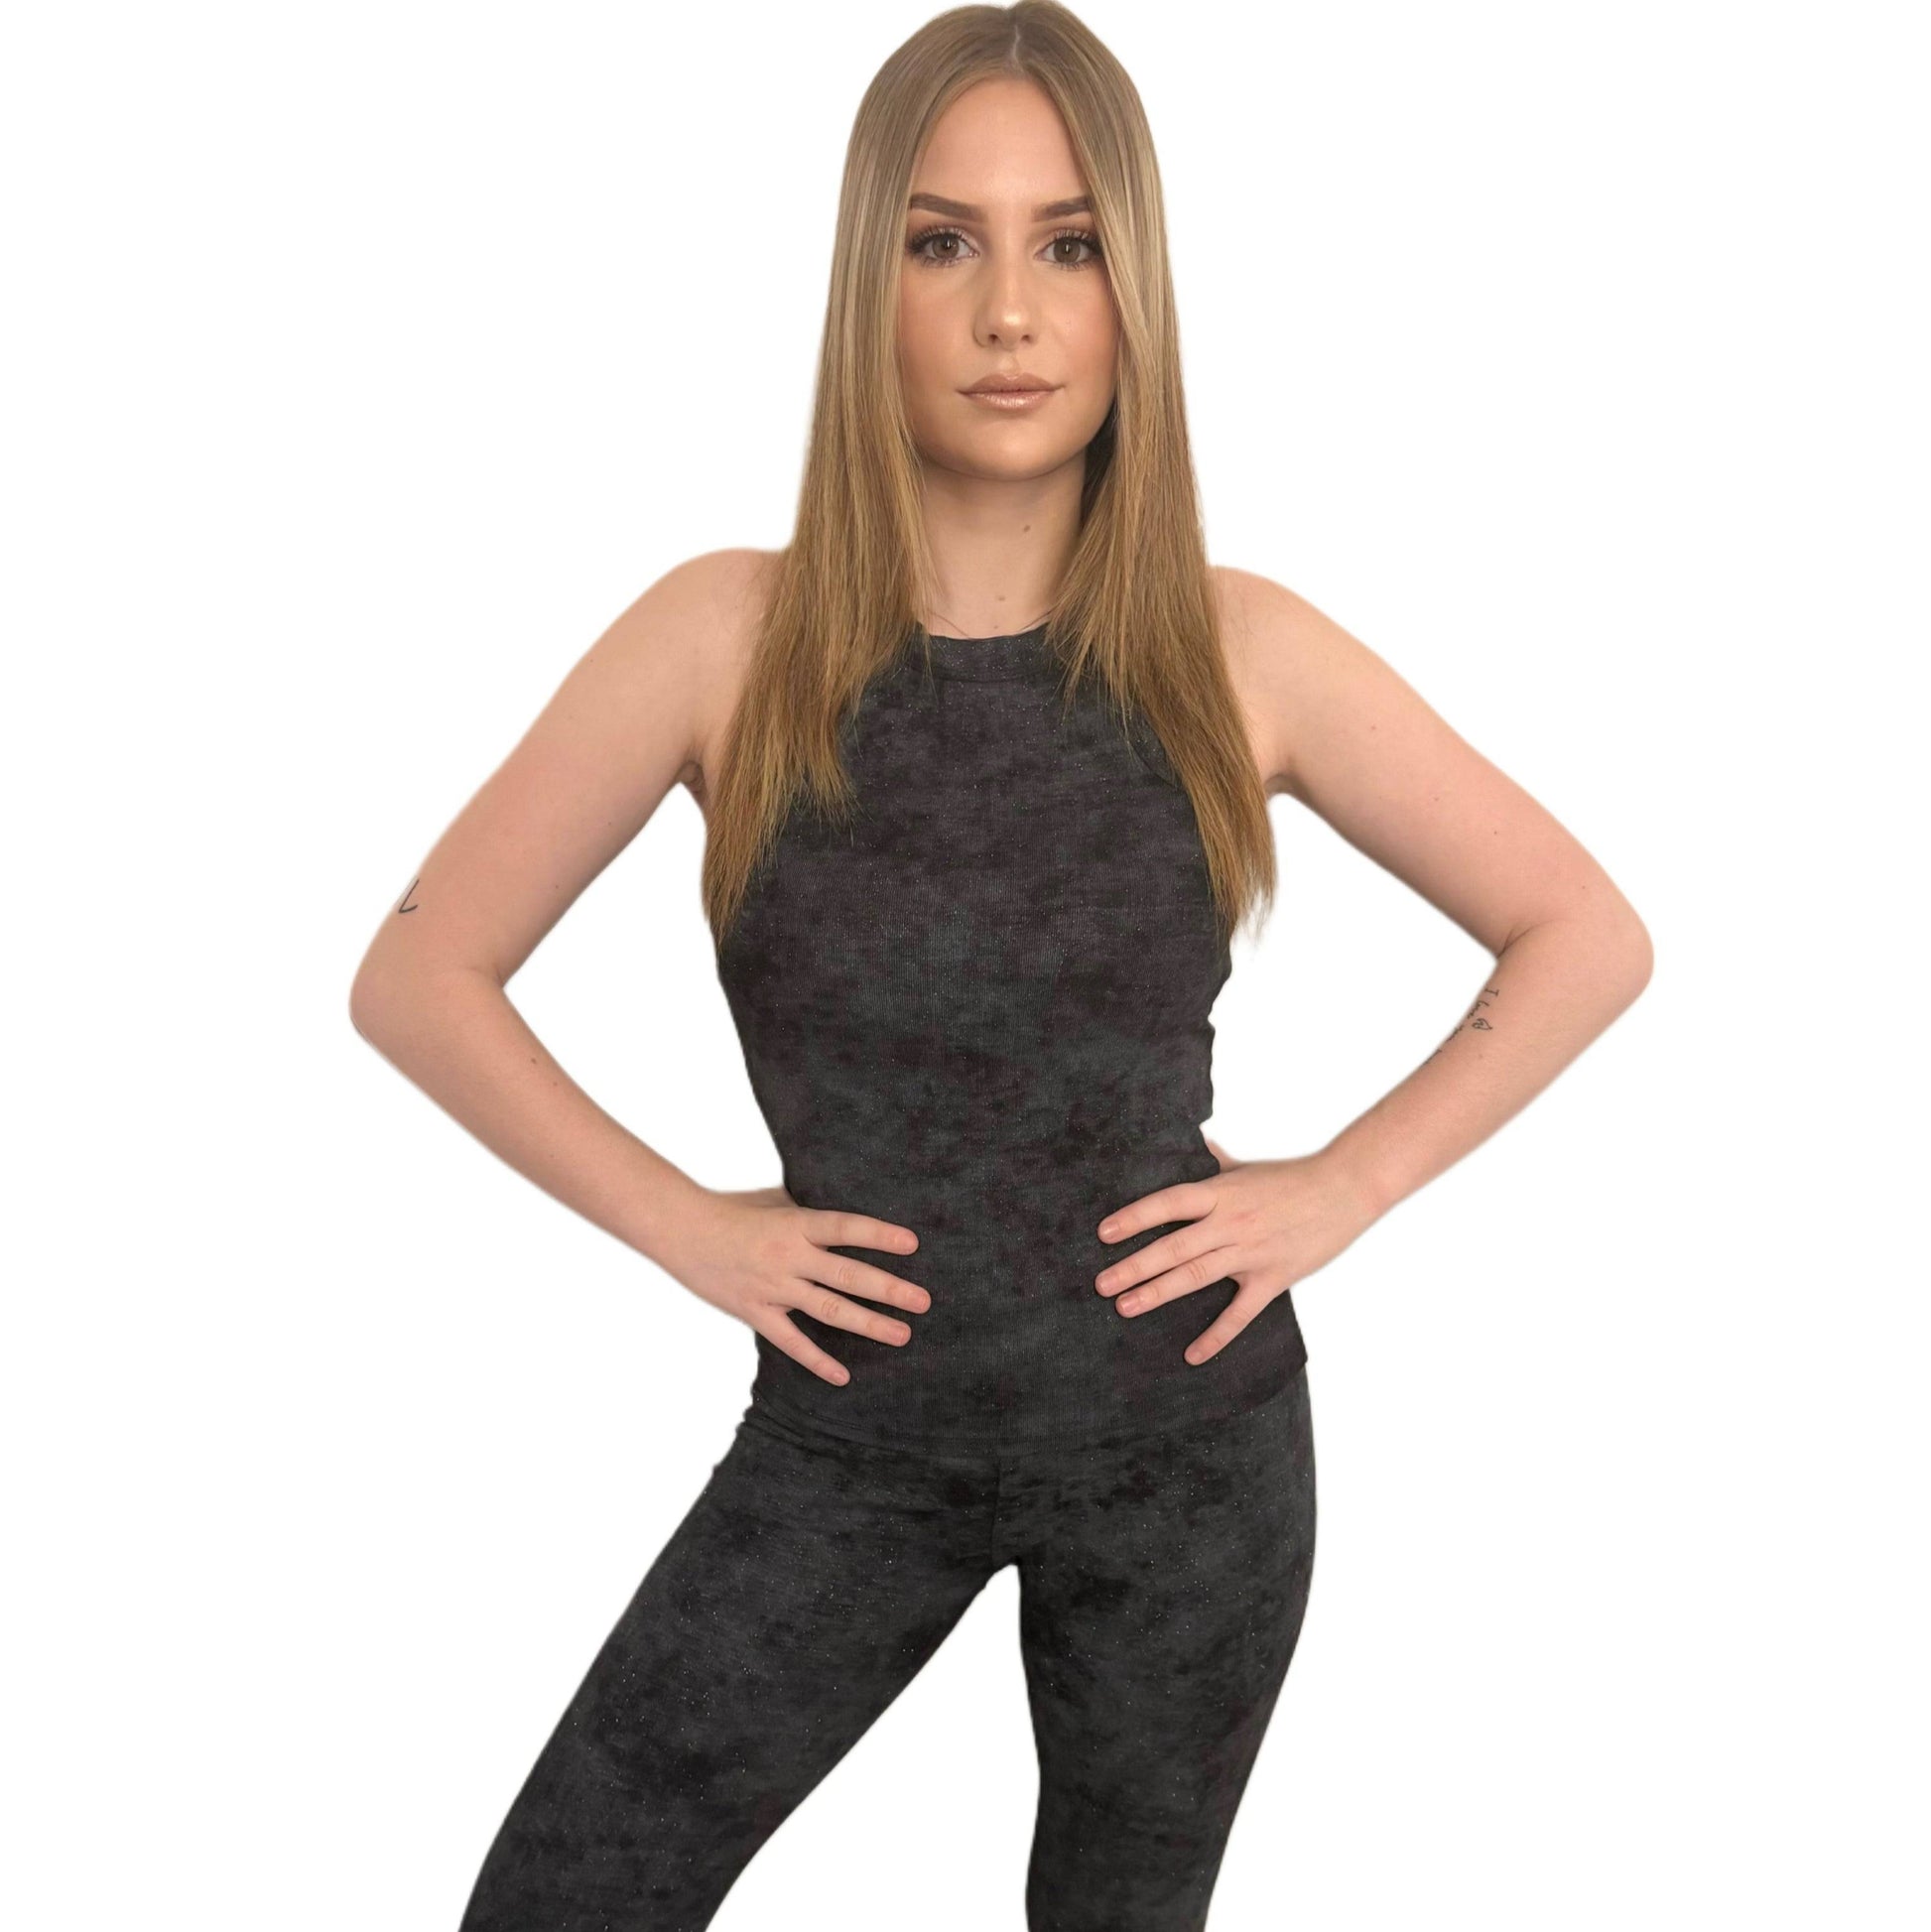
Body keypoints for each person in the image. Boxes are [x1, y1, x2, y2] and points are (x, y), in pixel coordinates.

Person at [348, 5, 1653, 1927]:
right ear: (866, 280)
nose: (1009, 313)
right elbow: (420, 975)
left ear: (1136, 292)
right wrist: (690, 1228)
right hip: (847, 1444)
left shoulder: (1238, 649)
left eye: (1070, 244)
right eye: (943, 241)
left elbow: (1583, 933)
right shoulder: (723, 637)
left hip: (1187, 1456)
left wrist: (1345, 1183)